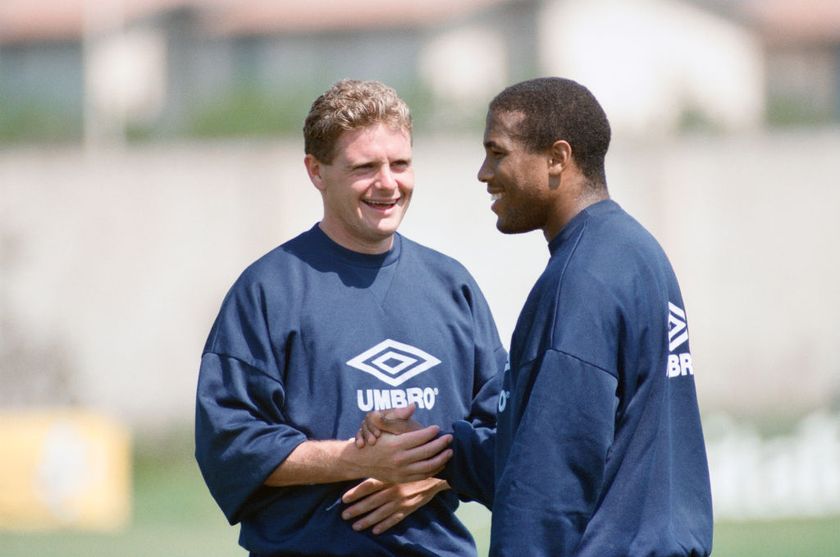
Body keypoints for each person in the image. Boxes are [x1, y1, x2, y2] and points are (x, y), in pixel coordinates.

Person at [358, 77, 714, 556]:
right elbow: (546, 444)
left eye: (497, 152)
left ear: (556, 159)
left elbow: (551, 477)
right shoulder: (635, 253)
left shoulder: (580, 281)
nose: (484, 173)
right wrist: (442, 454)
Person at [194, 79, 506, 556]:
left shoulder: (452, 285)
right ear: (316, 172)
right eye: (364, 167)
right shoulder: (268, 290)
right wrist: (356, 459)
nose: (388, 183)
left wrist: (434, 476)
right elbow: (229, 442)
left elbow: (503, 425)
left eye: (400, 164)